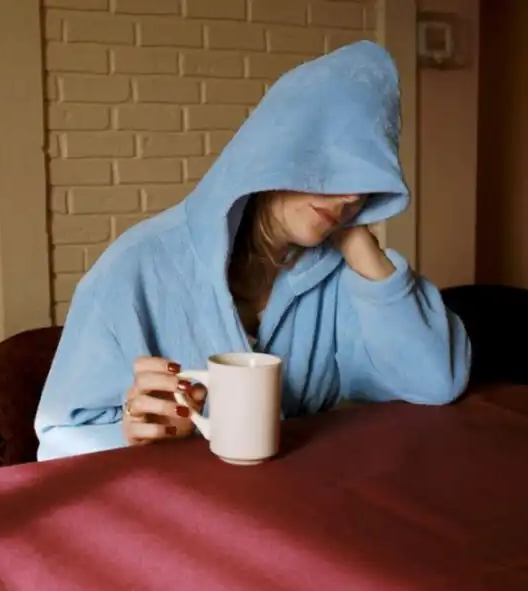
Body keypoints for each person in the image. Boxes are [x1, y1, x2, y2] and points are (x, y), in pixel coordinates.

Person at [33, 41, 472, 461]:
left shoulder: (343, 273)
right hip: (183, 506)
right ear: (277, 151)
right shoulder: (135, 268)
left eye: (367, 175)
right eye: (332, 166)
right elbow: (57, 438)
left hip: (302, 499)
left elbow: (435, 382)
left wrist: (360, 243)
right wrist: (132, 433)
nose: (352, 193)